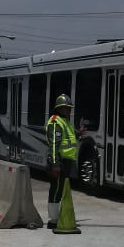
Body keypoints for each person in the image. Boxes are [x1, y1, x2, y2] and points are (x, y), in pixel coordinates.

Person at [46, 93, 79, 228]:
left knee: (60, 190)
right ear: (58, 108)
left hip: (66, 161)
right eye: (65, 108)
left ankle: (57, 216)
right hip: (59, 161)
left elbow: (67, 138)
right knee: (56, 189)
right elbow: (54, 145)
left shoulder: (65, 121)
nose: (68, 110)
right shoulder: (55, 121)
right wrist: (55, 164)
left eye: (69, 108)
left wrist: (78, 133)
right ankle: (53, 220)